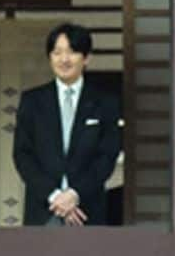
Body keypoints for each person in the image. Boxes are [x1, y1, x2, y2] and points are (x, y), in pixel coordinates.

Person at [12, 22, 121, 227]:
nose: (64, 59)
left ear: (86, 58)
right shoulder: (32, 101)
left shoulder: (105, 102)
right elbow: (23, 155)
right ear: (50, 58)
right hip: (44, 209)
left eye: (71, 52)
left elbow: (107, 155)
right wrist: (55, 197)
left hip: (88, 210)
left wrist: (74, 195)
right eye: (57, 52)